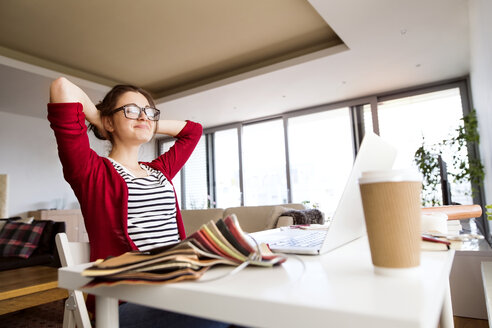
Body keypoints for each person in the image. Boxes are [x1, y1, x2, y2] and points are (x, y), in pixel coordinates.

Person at [48, 77, 229, 328]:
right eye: (131, 110)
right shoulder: (90, 171)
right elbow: (62, 87)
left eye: (149, 112)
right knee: (223, 312)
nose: (143, 117)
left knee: (254, 307)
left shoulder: (160, 171)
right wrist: (100, 119)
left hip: (179, 287)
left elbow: (193, 131)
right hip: (125, 301)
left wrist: (144, 122)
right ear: (108, 121)